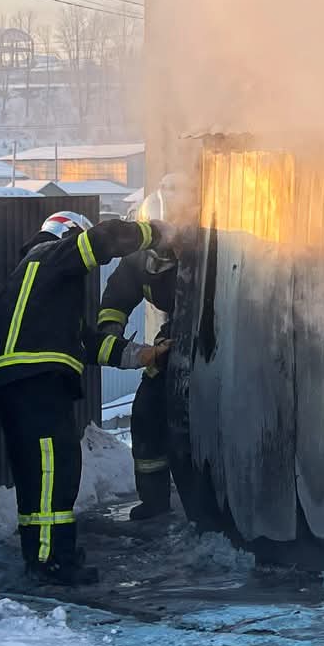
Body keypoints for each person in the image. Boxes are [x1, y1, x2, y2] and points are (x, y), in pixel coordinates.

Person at [0, 209, 177, 585]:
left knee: (40, 475)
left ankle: (47, 552)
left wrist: (146, 355)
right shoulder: (49, 256)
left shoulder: (41, 285)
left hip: (24, 382)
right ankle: (51, 563)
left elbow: (89, 345)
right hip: (36, 379)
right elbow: (103, 240)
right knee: (53, 472)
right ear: (68, 234)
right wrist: (156, 233)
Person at [96, 173, 197, 521]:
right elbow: (116, 299)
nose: (163, 255)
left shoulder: (208, 251)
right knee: (147, 413)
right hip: (173, 342)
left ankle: (203, 503)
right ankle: (154, 503)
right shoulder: (140, 259)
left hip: (218, 339)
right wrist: (112, 337)